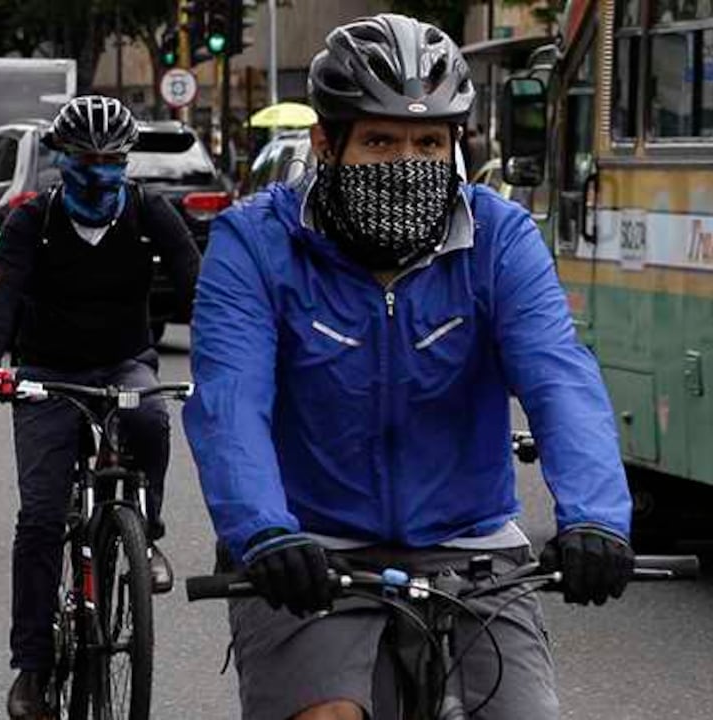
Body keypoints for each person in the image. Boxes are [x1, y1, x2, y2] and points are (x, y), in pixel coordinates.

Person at [183, 15, 633, 720]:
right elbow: (230, 401)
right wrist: (264, 531)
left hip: (472, 546)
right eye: (381, 140)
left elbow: (559, 379)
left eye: (429, 141)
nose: (407, 161)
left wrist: (598, 518)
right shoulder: (254, 242)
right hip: (311, 549)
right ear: (326, 144)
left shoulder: (500, 237)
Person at [0, 95, 201, 718]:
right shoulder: (31, 220)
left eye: (112, 159)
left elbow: (195, 288)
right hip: (47, 373)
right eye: (85, 158)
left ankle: (145, 531)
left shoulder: (151, 211)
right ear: (62, 160)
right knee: (42, 521)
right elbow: (1, 296)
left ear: (127, 162)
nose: (99, 170)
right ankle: (32, 670)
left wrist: (231, 359)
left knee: (151, 414)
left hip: (124, 362)